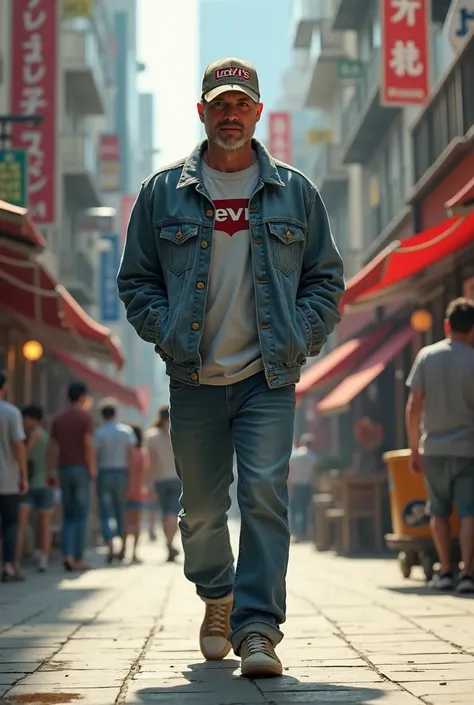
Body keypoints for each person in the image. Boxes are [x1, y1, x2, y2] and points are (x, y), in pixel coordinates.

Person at [117, 57, 344, 677]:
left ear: (258, 113)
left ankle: (258, 630)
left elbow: (325, 278)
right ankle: (216, 594)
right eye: (220, 104)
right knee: (204, 511)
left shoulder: (296, 192)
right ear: (202, 112)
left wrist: (300, 336)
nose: (230, 114)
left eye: (241, 104)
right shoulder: (162, 192)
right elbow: (136, 280)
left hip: (268, 377)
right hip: (193, 377)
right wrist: (167, 334)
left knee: (266, 496)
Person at [406, 298, 474, 594]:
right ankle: (468, 574)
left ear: (447, 324)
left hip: (433, 447)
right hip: (468, 448)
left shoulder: (426, 356)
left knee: (439, 511)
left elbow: (414, 405)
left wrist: (413, 448)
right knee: (470, 511)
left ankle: (445, 571)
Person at [47, 381, 95, 572]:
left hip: (64, 468)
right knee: (81, 514)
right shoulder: (85, 418)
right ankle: (78, 558)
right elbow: (88, 444)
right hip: (81, 469)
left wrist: (50, 470)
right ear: (82, 397)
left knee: (67, 514)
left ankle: (66, 555)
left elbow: (52, 447)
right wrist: (92, 468)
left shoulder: (58, 418)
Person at [94, 401, 135, 564]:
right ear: (116, 414)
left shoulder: (99, 433)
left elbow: (94, 455)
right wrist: (132, 479)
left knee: (105, 511)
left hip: (104, 472)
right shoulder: (126, 432)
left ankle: (110, 545)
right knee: (121, 510)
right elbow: (131, 456)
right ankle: (123, 547)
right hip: (121, 473)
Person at [0, 371, 28, 582]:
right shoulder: (10, 412)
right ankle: (9, 565)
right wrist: (24, 476)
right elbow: (18, 446)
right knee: (10, 523)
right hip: (7, 478)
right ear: (5, 387)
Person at [18, 405, 53, 572]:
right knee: (45, 523)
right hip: (45, 483)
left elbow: (24, 454)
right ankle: (44, 559)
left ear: (32, 419)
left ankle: (15, 561)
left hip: (31, 483)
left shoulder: (35, 434)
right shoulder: (46, 435)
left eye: (25, 419)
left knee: (21, 523)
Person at [145, 406, 181, 563]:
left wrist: (149, 483)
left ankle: (168, 545)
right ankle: (169, 544)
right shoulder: (180, 433)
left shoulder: (152, 436)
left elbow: (151, 463)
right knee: (173, 513)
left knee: (165, 513)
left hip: (160, 480)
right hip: (177, 479)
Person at [125, 425, 149, 564]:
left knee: (126, 522)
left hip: (126, 489)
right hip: (139, 489)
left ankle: (123, 549)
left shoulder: (128, 452)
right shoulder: (143, 452)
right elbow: (146, 470)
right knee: (137, 522)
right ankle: (134, 552)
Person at [288, 434, 317, 542]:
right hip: (306, 485)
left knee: (294, 509)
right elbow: (313, 474)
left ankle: (295, 533)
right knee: (304, 510)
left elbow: (290, 472)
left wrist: (289, 485)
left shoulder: (294, 456)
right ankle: (303, 533)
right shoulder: (312, 457)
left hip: (295, 485)